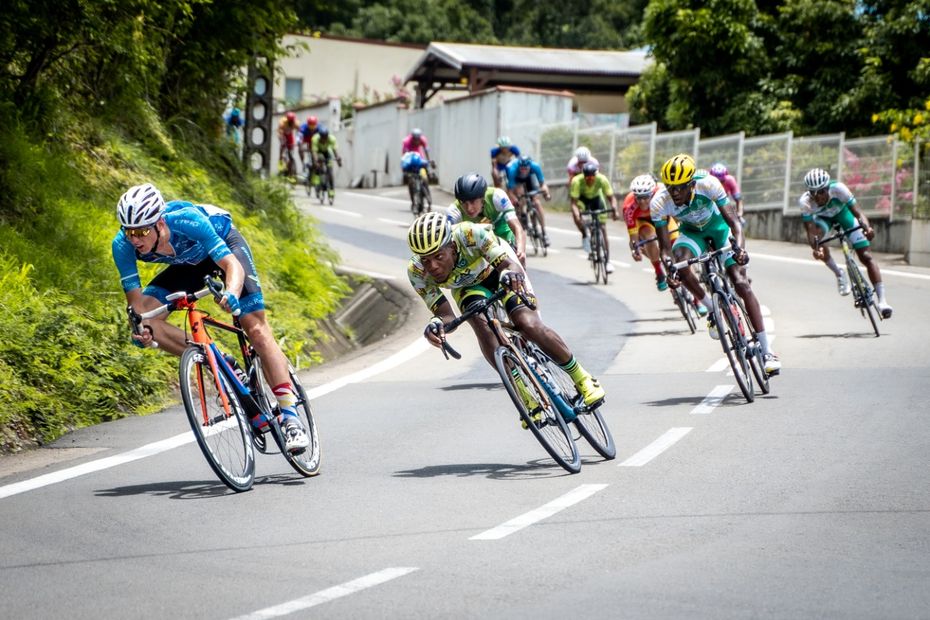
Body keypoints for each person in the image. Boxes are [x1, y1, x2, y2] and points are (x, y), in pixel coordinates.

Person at [111, 183, 310, 452]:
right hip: (186, 265)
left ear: (159, 223)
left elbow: (231, 265)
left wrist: (230, 293)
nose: (135, 239)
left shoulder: (186, 220)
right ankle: (218, 361)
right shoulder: (123, 246)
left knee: (256, 328)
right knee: (149, 323)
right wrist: (140, 333)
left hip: (224, 248)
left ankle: (290, 417)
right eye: (129, 231)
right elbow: (137, 309)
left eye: (142, 231)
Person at [406, 212, 606, 414]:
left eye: (438, 257)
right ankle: (523, 393)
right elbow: (447, 315)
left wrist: (511, 276)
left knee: (527, 324)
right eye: (426, 260)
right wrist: (437, 325)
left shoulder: (470, 234)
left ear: (451, 246)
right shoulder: (416, 272)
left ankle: (583, 379)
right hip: (468, 289)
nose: (432, 266)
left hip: (499, 269)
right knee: (479, 324)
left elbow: (508, 265)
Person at [651, 154, 781, 374]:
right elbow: (665, 249)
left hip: (719, 228)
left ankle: (767, 351)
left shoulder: (709, 184)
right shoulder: (659, 202)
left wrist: (739, 249)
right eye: (670, 188)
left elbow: (735, 224)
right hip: (691, 233)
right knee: (681, 265)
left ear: (691, 184)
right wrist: (670, 269)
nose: (674, 193)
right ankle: (713, 310)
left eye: (680, 188)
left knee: (740, 282)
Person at [800, 168, 893, 317]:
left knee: (866, 257)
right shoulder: (805, 202)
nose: (818, 196)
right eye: (813, 192)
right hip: (824, 220)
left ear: (828, 187)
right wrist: (816, 248)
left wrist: (867, 228)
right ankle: (839, 273)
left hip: (844, 215)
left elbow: (858, 212)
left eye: (821, 191)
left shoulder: (839, 189)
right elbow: (810, 231)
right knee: (820, 240)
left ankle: (882, 301)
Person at [446, 173, 527, 266]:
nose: (469, 208)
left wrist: (521, 251)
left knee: (517, 267)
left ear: (482, 197)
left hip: (503, 235)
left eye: (472, 202)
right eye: (463, 202)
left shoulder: (497, 196)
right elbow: (448, 242)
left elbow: (517, 227)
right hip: (477, 241)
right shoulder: (454, 211)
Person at [569, 162, 620, 274]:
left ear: (596, 175)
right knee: (581, 217)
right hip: (582, 200)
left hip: (596, 199)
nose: (590, 179)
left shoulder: (602, 179)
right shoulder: (577, 181)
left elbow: (611, 198)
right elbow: (573, 203)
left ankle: (607, 261)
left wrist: (615, 210)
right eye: (587, 177)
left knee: (602, 228)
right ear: (584, 175)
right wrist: (577, 214)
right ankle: (586, 235)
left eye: (592, 176)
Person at [505, 154, 551, 247]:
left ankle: (544, 232)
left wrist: (546, 193)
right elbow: (510, 192)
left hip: (530, 179)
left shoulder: (535, 166)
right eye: (522, 169)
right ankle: (522, 214)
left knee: (537, 202)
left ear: (530, 167)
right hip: (517, 180)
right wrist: (516, 200)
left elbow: (543, 184)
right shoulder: (512, 170)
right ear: (519, 167)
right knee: (520, 196)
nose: (524, 171)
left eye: (526, 169)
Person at [309, 126, 342, 200]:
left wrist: (338, 159)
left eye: (325, 138)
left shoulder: (332, 139)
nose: (324, 139)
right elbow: (314, 152)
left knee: (330, 170)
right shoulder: (315, 139)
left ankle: (331, 189)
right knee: (317, 163)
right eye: (322, 138)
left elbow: (335, 151)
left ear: (327, 136)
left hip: (326, 151)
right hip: (318, 152)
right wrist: (316, 162)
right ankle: (317, 181)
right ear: (320, 137)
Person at [277, 111, 300, 178]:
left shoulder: (296, 123)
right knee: (282, 147)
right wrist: (282, 140)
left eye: (292, 121)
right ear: (287, 119)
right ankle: (280, 160)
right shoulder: (282, 122)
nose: (291, 123)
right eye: (289, 121)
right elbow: (280, 132)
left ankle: (290, 167)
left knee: (291, 150)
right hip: (283, 134)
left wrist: (298, 141)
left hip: (289, 135)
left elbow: (299, 133)